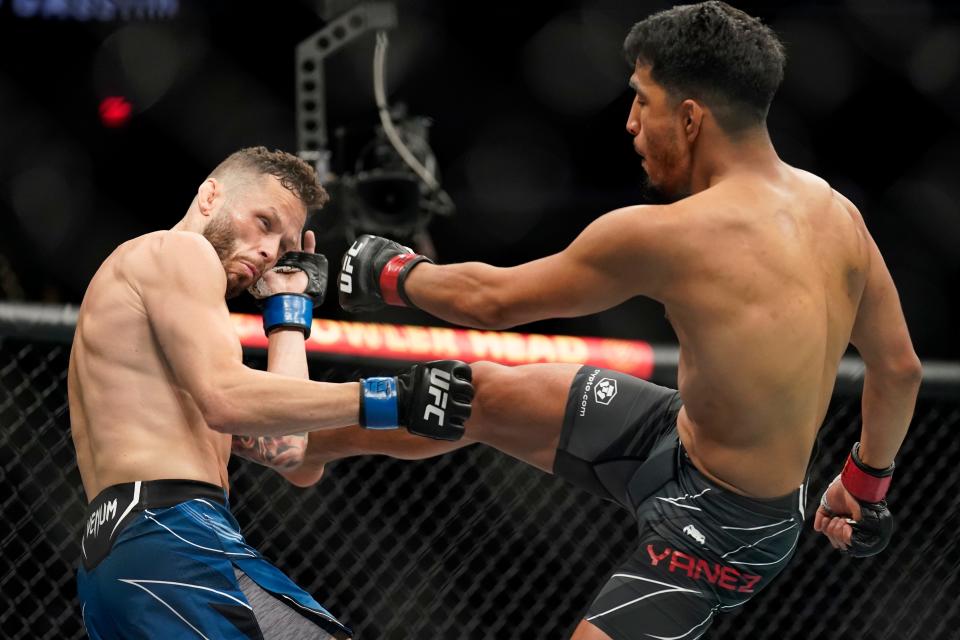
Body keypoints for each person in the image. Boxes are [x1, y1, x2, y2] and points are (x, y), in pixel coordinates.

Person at [304, 3, 923, 639]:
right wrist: (864, 484)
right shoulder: (839, 215)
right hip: (676, 438)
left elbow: (491, 303)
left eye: (641, 100)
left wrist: (390, 270)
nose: (628, 122)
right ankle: (300, 445)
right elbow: (899, 368)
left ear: (689, 118)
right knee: (473, 393)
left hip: (726, 529)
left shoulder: (673, 235)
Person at [68, 146, 474, 639]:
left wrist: (289, 306)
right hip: (173, 538)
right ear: (209, 195)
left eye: (283, 246)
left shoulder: (160, 323)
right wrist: (391, 398)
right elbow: (226, 398)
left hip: (115, 559)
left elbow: (289, 449)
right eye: (263, 222)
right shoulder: (177, 251)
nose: (268, 252)